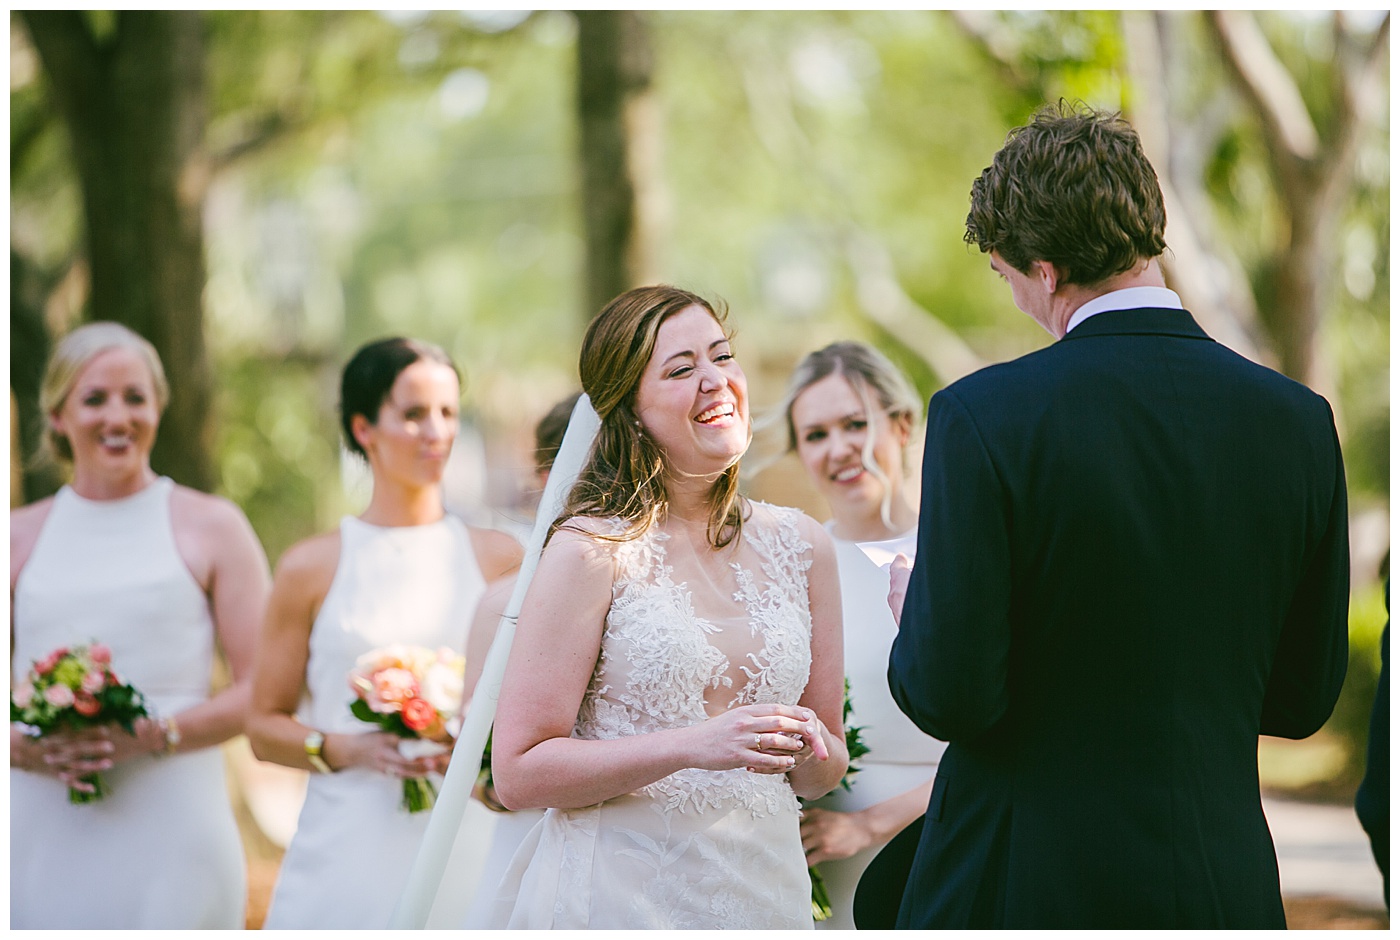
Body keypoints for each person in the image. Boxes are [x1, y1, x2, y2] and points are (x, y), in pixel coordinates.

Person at [882, 102, 1350, 928]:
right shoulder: (1298, 421)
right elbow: (1302, 698)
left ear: (1046, 269)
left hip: (1025, 882)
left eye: (1008, 277)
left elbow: (952, 696)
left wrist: (916, 616)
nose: (1020, 299)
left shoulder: (984, 418)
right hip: (1221, 883)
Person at [483, 285, 849, 929]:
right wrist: (693, 745)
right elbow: (518, 774)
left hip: (764, 894)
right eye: (681, 370)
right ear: (630, 410)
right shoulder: (591, 552)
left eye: (721, 357)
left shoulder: (805, 545)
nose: (715, 381)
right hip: (623, 898)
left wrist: (812, 751)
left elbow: (825, 769)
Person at [248, 337, 523, 929]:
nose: (437, 432)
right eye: (414, 413)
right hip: (350, 839)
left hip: (469, 834)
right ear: (364, 427)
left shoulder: (502, 559)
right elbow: (262, 727)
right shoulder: (310, 566)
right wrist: (341, 747)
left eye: (449, 413)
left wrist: (482, 761)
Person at [10, 321, 271, 929]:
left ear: (158, 407)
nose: (117, 416)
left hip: (175, 819)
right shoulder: (16, 536)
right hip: (41, 820)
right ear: (57, 416)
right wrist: (22, 747)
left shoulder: (213, 526)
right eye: (94, 399)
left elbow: (261, 687)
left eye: (135, 397)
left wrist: (155, 735)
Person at [774, 341, 946, 929]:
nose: (840, 447)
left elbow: (1016, 739)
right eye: (816, 435)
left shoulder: (959, 552)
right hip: (819, 865)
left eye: (855, 423)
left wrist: (869, 825)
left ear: (901, 425)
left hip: (946, 843)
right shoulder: (787, 569)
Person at [457, 391, 580, 927]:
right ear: (550, 471)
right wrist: (508, 785)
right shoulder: (501, 606)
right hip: (531, 845)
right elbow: (472, 769)